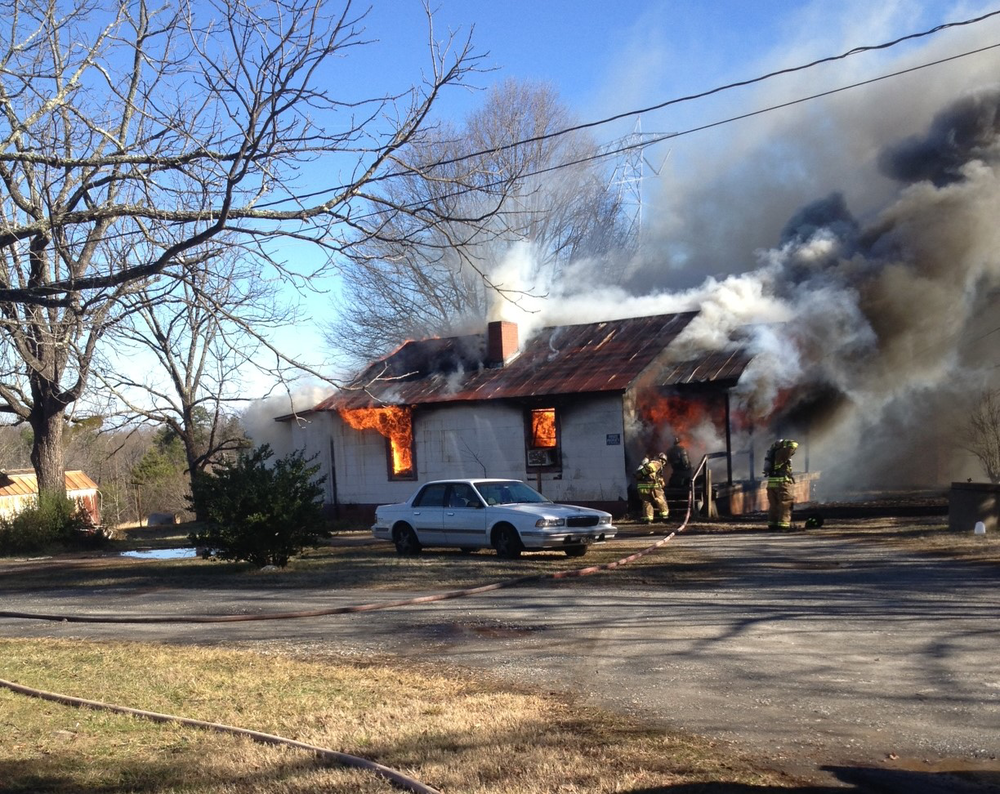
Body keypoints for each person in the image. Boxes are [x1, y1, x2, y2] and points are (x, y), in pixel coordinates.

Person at [764, 438, 799, 531]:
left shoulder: (771, 454)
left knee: (774, 505)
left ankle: (772, 524)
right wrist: (785, 442)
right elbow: (794, 444)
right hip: (782, 483)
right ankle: (783, 526)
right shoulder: (781, 453)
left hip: (771, 484)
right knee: (785, 504)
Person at [635, 454, 669, 524]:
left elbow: (656, 475)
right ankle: (664, 517)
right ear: (662, 460)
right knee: (660, 500)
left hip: (642, 486)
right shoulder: (657, 463)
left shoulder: (646, 464)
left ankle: (648, 519)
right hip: (652, 486)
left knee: (646, 502)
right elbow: (651, 468)